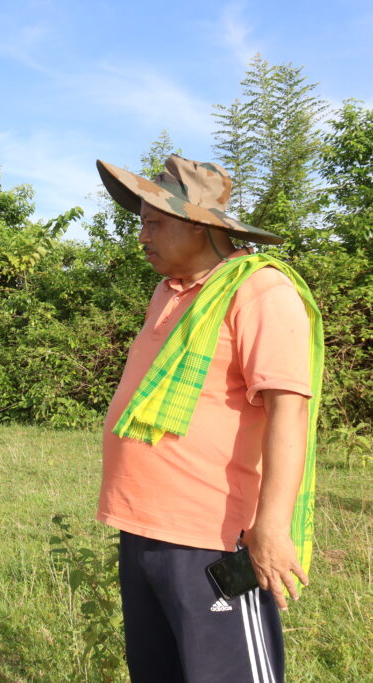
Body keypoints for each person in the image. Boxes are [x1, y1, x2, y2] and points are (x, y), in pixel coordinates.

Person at [95, 155, 323, 682]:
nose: (142, 236)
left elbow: (289, 410)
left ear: (200, 226)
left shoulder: (261, 292)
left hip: (216, 537)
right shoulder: (168, 293)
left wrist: (271, 527)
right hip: (144, 525)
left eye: (155, 222)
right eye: (142, 222)